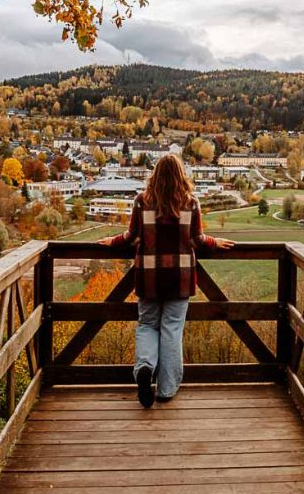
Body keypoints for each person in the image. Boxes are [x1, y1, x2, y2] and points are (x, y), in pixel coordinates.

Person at [98, 155, 234, 408]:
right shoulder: (191, 203)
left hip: (149, 275)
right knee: (172, 329)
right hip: (180, 277)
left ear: (155, 174)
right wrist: (216, 242)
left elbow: (131, 236)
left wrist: (112, 241)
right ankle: (167, 389)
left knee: (148, 325)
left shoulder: (142, 201)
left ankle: (145, 367)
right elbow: (198, 239)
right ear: (181, 175)